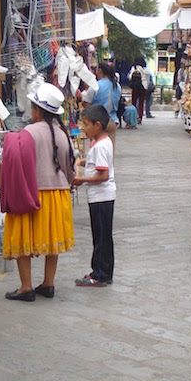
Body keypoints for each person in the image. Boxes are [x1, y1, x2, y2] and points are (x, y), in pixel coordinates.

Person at [1, 82, 76, 301]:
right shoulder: (62, 134)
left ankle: (26, 287)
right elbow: (68, 165)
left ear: (37, 110)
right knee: (51, 241)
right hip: (57, 193)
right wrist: (69, 183)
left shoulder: (27, 133)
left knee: (24, 238)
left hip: (31, 193)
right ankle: (48, 283)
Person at [73, 104, 115, 287]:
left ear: (97, 125)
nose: (84, 128)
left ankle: (99, 274)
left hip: (101, 197)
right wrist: (83, 161)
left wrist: (83, 180)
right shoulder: (101, 143)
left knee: (101, 237)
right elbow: (96, 164)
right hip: (102, 197)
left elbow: (103, 174)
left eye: (86, 124)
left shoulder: (100, 147)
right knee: (103, 236)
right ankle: (103, 271)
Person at [83, 62, 120, 149]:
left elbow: (87, 103)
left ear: (100, 70)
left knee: (96, 148)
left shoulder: (95, 86)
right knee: (109, 151)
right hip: (112, 121)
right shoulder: (117, 86)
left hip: (97, 122)